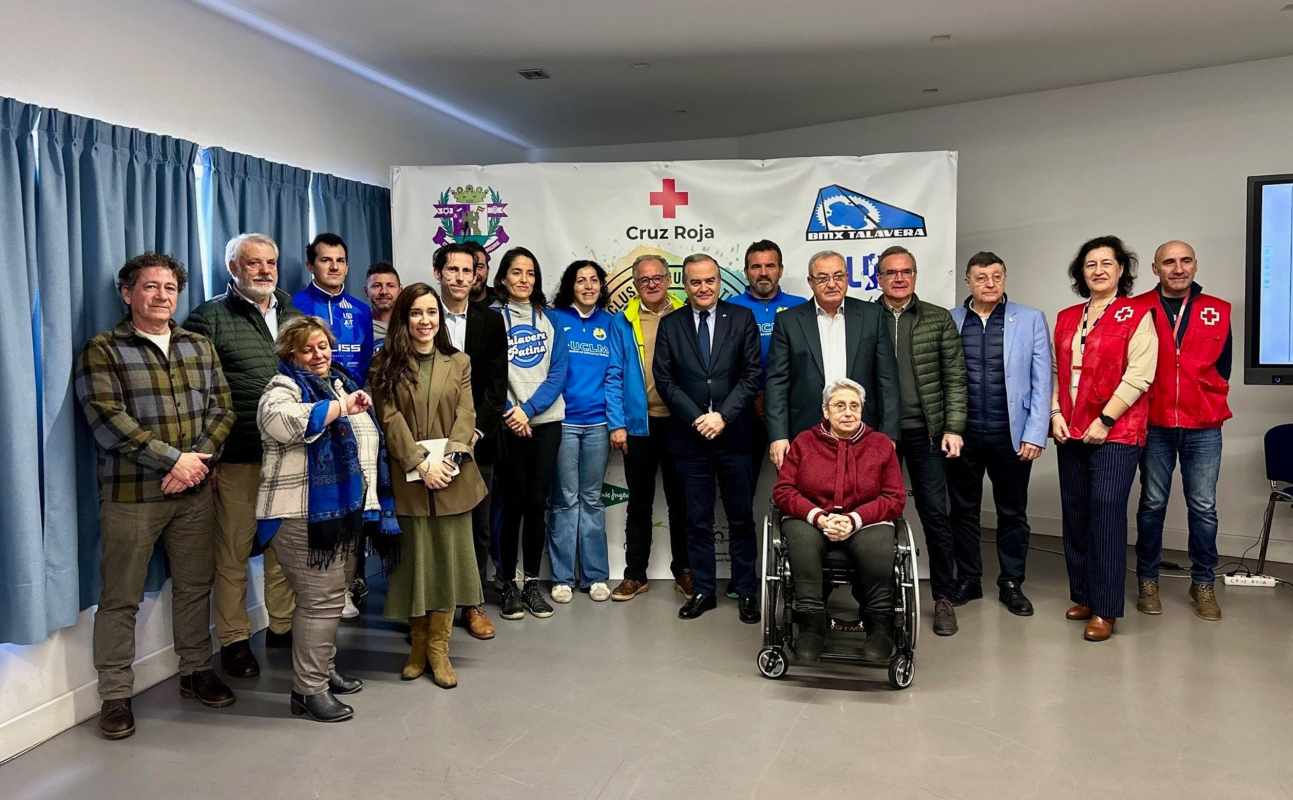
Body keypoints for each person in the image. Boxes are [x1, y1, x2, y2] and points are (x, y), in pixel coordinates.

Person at [76, 252, 237, 740]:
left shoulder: (199, 346)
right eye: (150, 287)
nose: (162, 296)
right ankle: (115, 695)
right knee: (120, 597)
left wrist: (196, 461)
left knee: (194, 585)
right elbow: (107, 420)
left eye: (170, 288)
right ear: (128, 294)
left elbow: (223, 410)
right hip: (131, 496)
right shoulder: (103, 349)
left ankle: (195, 669)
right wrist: (174, 460)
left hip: (193, 491)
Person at [256, 316, 395, 721]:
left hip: (341, 513)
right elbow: (284, 423)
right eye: (308, 349)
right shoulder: (281, 387)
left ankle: (323, 670)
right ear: (290, 354)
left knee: (330, 600)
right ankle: (307, 691)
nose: (319, 355)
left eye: (324, 346)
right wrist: (339, 408)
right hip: (301, 514)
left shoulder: (339, 382)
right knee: (320, 601)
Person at [185, 233, 300, 679]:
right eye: (254, 263)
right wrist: (206, 454)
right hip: (237, 456)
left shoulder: (293, 313)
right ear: (233, 268)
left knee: (283, 548)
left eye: (270, 261)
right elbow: (195, 392)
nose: (265, 270)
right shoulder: (209, 317)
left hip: (290, 454)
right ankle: (234, 639)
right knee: (232, 551)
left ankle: (282, 627)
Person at [370, 283, 487, 687]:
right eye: (416, 313)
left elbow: (466, 414)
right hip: (412, 481)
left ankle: (440, 647)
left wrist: (449, 461)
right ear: (404, 319)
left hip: (453, 479)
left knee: (447, 565)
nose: (425, 321)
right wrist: (421, 465)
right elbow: (389, 419)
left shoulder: (459, 362)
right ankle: (417, 645)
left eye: (432, 313)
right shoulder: (384, 363)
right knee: (416, 565)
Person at [1052, 235, 1157, 643]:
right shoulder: (1066, 317)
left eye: (1106, 263)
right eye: (1090, 264)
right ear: (1082, 272)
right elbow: (1056, 372)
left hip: (1117, 433)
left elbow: (1140, 374)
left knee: (1106, 512)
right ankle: (1084, 595)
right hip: (1071, 430)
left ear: (1121, 270)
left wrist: (1106, 418)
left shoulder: (1136, 314)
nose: (1098, 270)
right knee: (1075, 514)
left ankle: (1107, 608)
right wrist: (1055, 413)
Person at [653, 253, 762, 622]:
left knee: (741, 518)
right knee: (695, 519)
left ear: (720, 281)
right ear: (686, 285)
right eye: (696, 282)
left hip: (736, 435)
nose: (703, 288)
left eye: (710, 281)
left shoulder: (742, 318)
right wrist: (699, 418)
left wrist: (723, 417)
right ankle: (703, 589)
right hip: (690, 437)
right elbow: (664, 380)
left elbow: (752, 375)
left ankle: (747, 590)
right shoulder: (671, 324)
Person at [946, 252, 1052, 617]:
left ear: (1005, 278)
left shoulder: (1031, 319)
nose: (989, 283)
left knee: (1012, 512)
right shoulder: (951, 320)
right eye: (981, 277)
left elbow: (1043, 381)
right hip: (964, 436)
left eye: (996, 276)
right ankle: (968, 580)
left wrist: (1036, 433)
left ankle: (1011, 583)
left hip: (1013, 434)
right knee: (962, 511)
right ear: (967, 281)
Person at [771, 379, 906, 662]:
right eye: (840, 405)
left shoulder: (880, 445)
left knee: (878, 547)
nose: (848, 412)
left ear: (862, 411)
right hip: (812, 518)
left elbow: (894, 498)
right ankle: (811, 626)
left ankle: (879, 627)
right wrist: (819, 517)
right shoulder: (804, 442)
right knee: (801, 541)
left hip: (864, 520)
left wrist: (855, 519)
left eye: (854, 406)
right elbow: (783, 491)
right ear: (825, 411)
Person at [1133, 240, 1231, 621]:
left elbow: (1223, 366)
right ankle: (1147, 580)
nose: (1178, 268)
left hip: (1203, 425)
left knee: (1203, 507)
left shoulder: (1218, 310)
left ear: (1195, 265)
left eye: (1185, 260)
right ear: (1155, 269)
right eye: (1168, 262)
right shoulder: (1137, 309)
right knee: (1152, 505)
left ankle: (1203, 581)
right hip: (1154, 423)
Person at [874, 245, 967, 637]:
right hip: (879, 436)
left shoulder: (937, 318)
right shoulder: (865, 317)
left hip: (927, 434)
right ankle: (879, 599)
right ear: (878, 278)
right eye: (891, 272)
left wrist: (954, 427)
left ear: (915, 275)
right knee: (878, 517)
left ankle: (944, 597)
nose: (899, 278)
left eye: (906, 271)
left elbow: (955, 378)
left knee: (935, 514)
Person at [605, 254, 693, 602]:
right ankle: (635, 575)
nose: (652, 284)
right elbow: (613, 374)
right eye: (644, 280)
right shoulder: (622, 321)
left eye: (658, 278)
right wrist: (617, 424)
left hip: (681, 424)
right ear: (636, 284)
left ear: (668, 280)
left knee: (681, 502)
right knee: (638, 503)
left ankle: (684, 570)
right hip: (639, 426)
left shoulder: (686, 314)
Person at [490, 247, 568, 620]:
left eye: (531, 273)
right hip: (508, 424)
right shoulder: (491, 319)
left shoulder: (550, 319)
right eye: (517, 272)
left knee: (537, 504)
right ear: (503, 277)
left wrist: (530, 410)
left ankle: (532, 583)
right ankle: (506, 583)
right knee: (510, 505)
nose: (524, 280)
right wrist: (511, 413)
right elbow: (489, 375)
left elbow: (558, 374)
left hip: (546, 423)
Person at [434, 243, 507, 639]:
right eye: (453, 270)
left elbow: (497, 386)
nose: (462, 278)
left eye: (468, 271)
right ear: (438, 272)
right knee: (436, 526)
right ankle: (434, 606)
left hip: (478, 442)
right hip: (431, 441)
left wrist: (473, 433)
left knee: (478, 525)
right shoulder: (423, 315)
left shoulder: (491, 322)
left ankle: (473, 603)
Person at [766, 249, 900, 462]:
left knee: (863, 494)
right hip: (807, 432)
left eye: (838, 276)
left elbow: (887, 379)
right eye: (822, 278)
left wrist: (889, 434)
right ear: (810, 282)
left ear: (847, 278)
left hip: (863, 430)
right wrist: (779, 435)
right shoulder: (788, 322)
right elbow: (777, 383)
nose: (831, 284)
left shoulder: (871, 316)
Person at [548, 260, 615, 604]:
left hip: (598, 425)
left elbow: (615, 375)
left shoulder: (612, 323)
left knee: (591, 500)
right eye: (580, 281)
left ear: (601, 286)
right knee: (564, 500)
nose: (588, 286)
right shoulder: (555, 319)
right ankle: (561, 577)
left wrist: (616, 422)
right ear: (570, 286)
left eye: (593, 281)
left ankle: (595, 576)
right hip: (563, 423)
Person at [726, 239, 808, 484]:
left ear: (780, 270)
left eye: (770, 266)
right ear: (746, 271)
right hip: (742, 408)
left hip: (789, 408)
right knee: (740, 484)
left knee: (797, 481)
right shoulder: (729, 307)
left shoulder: (800, 307)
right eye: (756, 267)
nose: (763, 273)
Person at [292, 233, 374, 383]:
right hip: (308, 400)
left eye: (340, 261)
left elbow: (366, 362)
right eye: (325, 260)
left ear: (347, 268)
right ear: (310, 266)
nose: (334, 267)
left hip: (353, 399)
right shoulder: (293, 306)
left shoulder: (362, 310)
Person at [365, 261, 402, 351]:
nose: (384, 291)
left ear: (400, 290)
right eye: (377, 286)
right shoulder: (358, 327)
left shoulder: (411, 325)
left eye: (390, 286)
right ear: (366, 291)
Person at [463, 240, 492, 305]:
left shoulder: (502, 302)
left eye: (479, 267)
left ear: (487, 270)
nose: (474, 273)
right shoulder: (443, 305)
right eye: (467, 268)